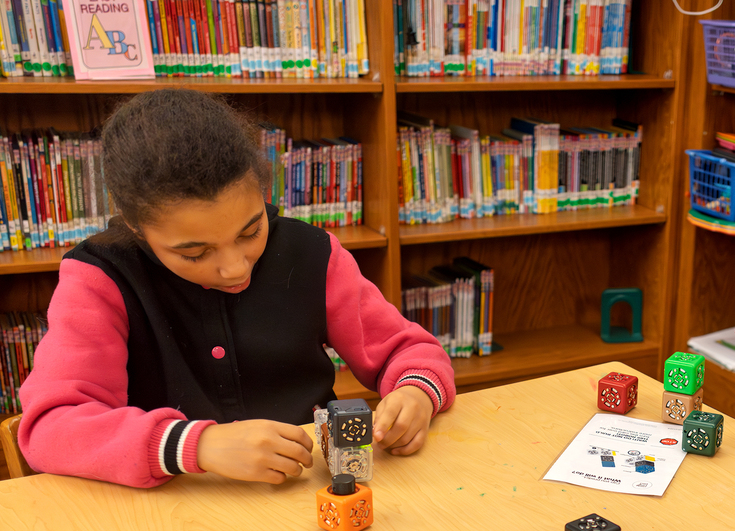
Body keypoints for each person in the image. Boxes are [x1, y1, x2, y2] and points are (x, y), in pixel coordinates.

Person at [19, 89, 455, 488]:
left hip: (311, 490)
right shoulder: (100, 278)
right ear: (136, 227)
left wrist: (415, 390)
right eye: (194, 253)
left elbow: (408, 351)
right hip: (175, 508)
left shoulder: (312, 253)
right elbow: (50, 429)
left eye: (250, 232)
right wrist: (197, 446)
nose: (233, 268)